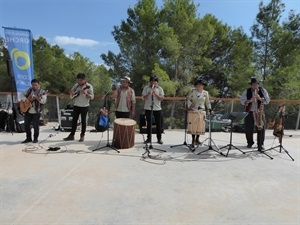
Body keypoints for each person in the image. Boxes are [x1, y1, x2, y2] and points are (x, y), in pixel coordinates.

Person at [63, 73, 94, 142]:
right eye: (78, 80)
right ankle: (72, 135)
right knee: (74, 121)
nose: (79, 82)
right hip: (76, 105)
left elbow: (92, 97)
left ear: (84, 80)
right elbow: (71, 92)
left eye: (80, 80)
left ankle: (82, 135)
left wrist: (86, 93)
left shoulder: (89, 86)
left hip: (85, 106)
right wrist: (72, 92)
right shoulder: (76, 85)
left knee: (83, 121)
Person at [240, 77, 270, 149]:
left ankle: (260, 144)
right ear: (251, 85)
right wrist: (250, 100)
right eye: (253, 84)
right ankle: (250, 142)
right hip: (249, 111)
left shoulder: (263, 90)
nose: (255, 86)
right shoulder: (247, 91)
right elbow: (242, 101)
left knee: (261, 127)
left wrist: (259, 98)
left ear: (258, 85)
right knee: (248, 128)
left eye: (256, 84)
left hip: (260, 112)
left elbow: (267, 101)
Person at [20, 79, 47, 143]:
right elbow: (21, 95)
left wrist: (38, 98)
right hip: (28, 110)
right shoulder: (29, 90)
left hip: (36, 111)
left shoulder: (42, 92)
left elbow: (43, 101)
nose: (34, 86)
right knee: (26, 124)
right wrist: (25, 100)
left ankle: (35, 138)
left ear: (39, 85)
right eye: (33, 85)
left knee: (35, 125)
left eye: (36, 85)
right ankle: (28, 138)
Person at [188, 78, 212, 148]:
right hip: (194, 110)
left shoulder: (206, 93)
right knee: (193, 126)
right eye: (198, 84)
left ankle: (197, 139)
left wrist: (209, 109)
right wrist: (190, 104)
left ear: (203, 86)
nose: (199, 86)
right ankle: (192, 140)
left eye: (200, 85)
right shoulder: (193, 91)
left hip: (202, 110)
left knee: (200, 126)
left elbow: (207, 102)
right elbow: (188, 99)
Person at [142, 75, 164, 144]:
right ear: (150, 82)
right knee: (149, 124)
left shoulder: (160, 89)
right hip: (148, 108)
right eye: (152, 81)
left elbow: (161, 98)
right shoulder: (146, 88)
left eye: (155, 81)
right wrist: (149, 93)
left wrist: (155, 93)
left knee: (158, 124)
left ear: (157, 82)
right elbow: (143, 98)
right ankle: (149, 138)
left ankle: (159, 139)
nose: (153, 83)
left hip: (157, 109)